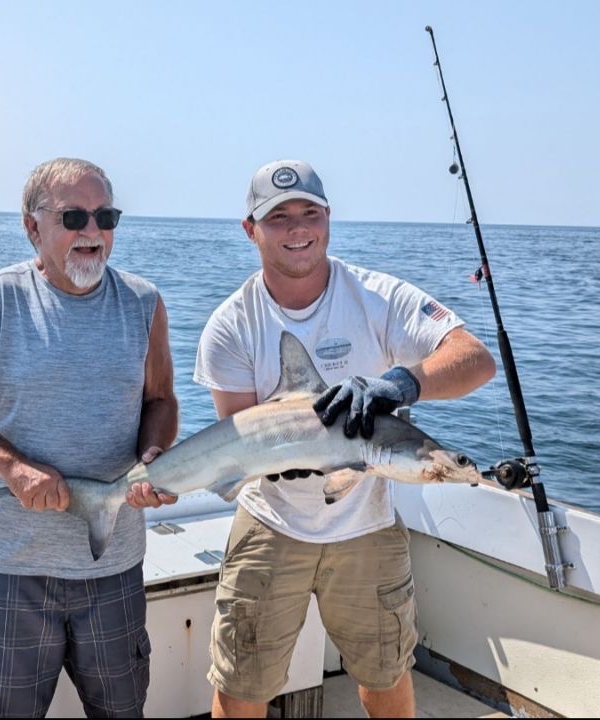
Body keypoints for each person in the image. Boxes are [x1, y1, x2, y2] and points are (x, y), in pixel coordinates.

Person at [193, 159, 496, 718]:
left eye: (309, 212)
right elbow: (234, 436)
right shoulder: (232, 324)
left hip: (368, 525)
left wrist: (402, 381)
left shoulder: (379, 297)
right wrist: (269, 462)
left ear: (328, 218)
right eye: (278, 217)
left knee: (385, 675)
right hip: (270, 521)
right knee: (240, 688)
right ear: (250, 229)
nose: (297, 228)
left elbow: (475, 360)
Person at [0, 157, 179, 718]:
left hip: (114, 563)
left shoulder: (144, 304)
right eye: (74, 216)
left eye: (105, 216)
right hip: (16, 566)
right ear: (33, 227)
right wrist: (11, 467)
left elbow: (160, 400)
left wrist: (151, 459)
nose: (92, 231)